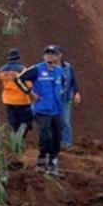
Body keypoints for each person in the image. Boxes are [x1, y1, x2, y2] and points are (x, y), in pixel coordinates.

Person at [16, 45, 66, 176]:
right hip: (42, 110)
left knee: (57, 137)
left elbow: (63, 83)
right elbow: (19, 79)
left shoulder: (59, 71)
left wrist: (61, 92)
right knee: (46, 136)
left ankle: (53, 164)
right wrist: (29, 92)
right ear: (44, 56)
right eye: (47, 53)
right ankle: (41, 162)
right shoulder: (37, 69)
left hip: (57, 110)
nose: (50, 56)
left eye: (53, 54)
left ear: (57, 56)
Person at [0, 48, 34, 136]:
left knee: (12, 121)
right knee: (25, 121)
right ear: (19, 58)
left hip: (8, 99)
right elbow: (29, 85)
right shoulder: (22, 69)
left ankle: (12, 139)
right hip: (22, 100)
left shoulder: (2, 70)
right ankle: (19, 139)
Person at [57, 48, 81, 148]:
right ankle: (54, 143)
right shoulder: (48, 68)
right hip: (52, 99)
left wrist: (77, 93)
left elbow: (74, 81)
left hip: (65, 98)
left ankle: (66, 143)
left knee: (65, 121)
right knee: (52, 121)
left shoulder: (67, 67)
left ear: (60, 55)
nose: (54, 56)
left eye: (56, 54)